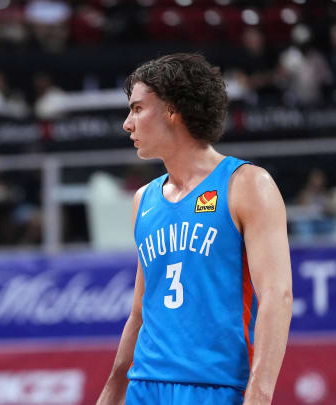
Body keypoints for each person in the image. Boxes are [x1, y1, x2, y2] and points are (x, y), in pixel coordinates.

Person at [97, 54, 293, 405]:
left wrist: (260, 395)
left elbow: (277, 297)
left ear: (172, 110)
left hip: (214, 385)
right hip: (145, 384)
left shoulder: (247, 185)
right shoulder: (143, 200)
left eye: (138, 109)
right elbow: (141, 310)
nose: (128, 123)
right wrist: (114, 385)